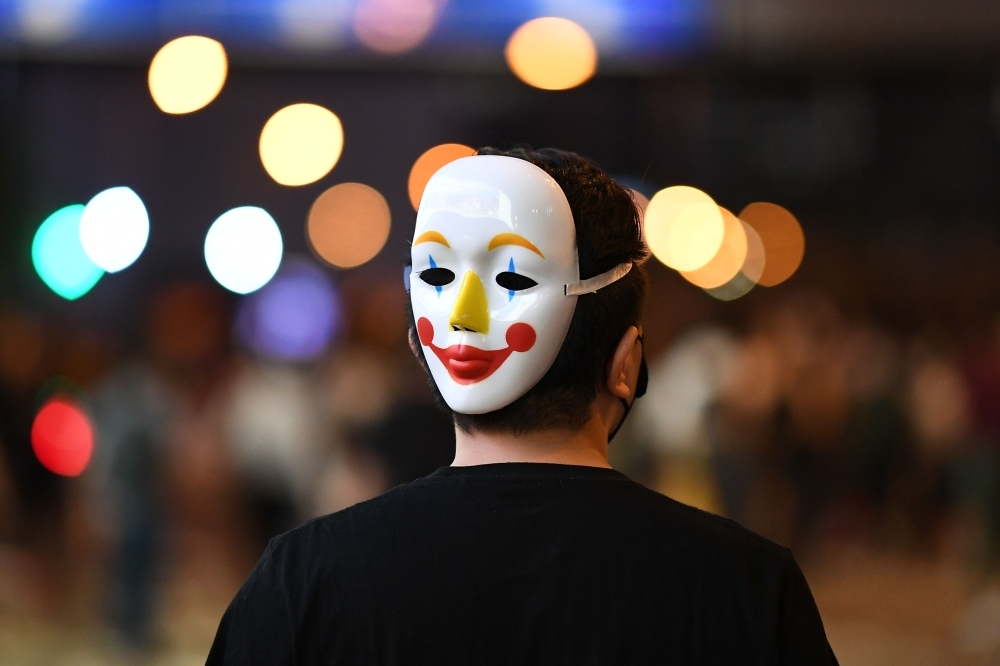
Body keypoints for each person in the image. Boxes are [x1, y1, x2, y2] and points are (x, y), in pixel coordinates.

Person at [206, 147, 839, 665]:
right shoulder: (749, 590)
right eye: (439, 277)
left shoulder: (302, 585)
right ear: (627, 362)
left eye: (510, 278)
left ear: (421, 348)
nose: (466, 313)